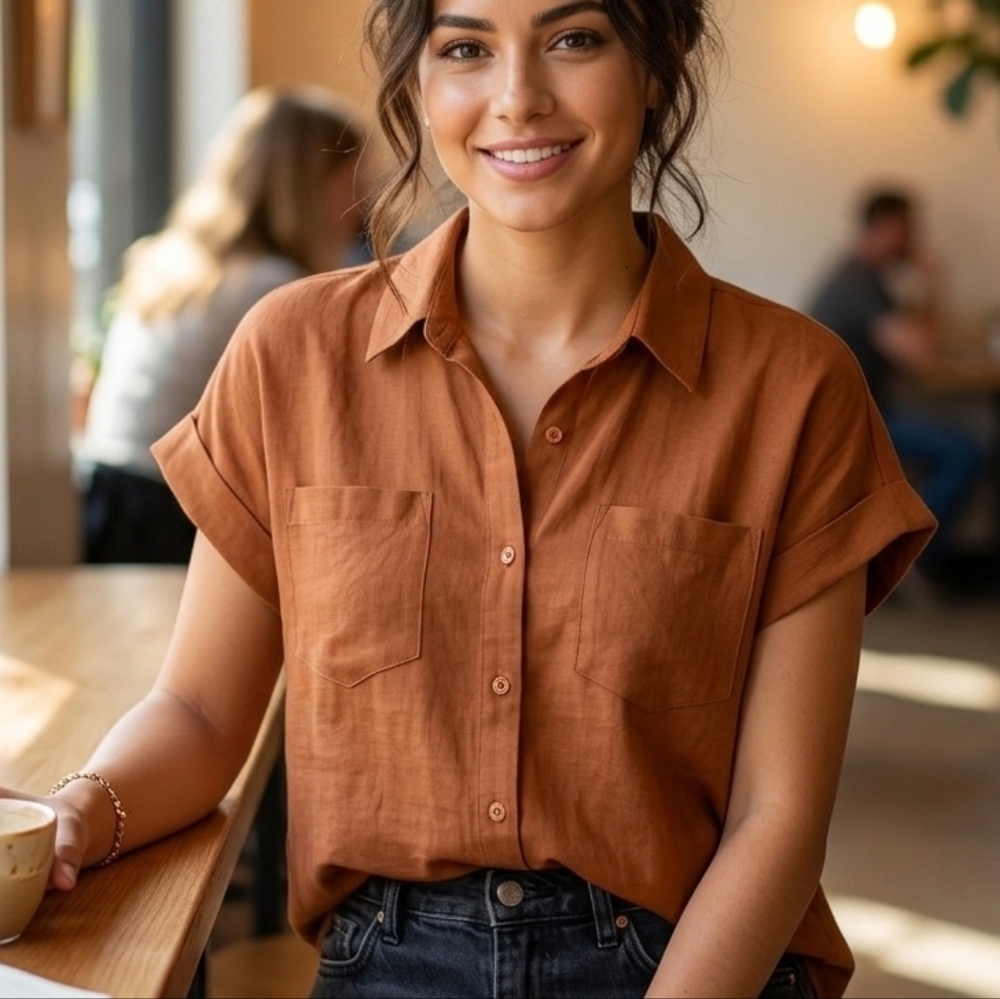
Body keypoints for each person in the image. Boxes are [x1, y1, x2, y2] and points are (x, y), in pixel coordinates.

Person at [4, 3, 935, 997]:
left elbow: (776, 820)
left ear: (656, 68)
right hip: (386, 961)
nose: (517, 98)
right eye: (465, 49)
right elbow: (197, 710)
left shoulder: (794, 387)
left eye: (573, 39)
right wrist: (78, 813)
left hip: (686, 958)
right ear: (419, 87)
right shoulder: (293, 355)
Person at [78, 87, 368, 563]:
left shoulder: (179, 263)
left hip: (110, 499)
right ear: (307, 188)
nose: (358, 206)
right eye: (349, 184)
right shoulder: (269, 287)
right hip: (168, 511)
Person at [808, 190, 984, 565]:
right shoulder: (859, 283)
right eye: (910, 229)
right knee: (966, 451)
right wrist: (933, 279)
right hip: (854, 422)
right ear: (889, 228)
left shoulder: (863, 274)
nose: (915, 239)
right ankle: (908, 557)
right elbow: (922, 356)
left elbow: (919, 340)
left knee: (962, 434)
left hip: (860, 410)